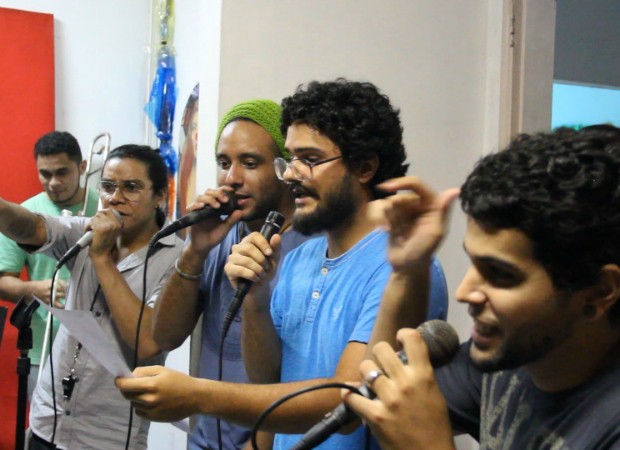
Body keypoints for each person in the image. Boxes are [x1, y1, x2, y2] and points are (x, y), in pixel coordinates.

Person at [116, 79, 448, 450]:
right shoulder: (300, 259)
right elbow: (268, 380)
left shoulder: (404, 266)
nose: (290, 174)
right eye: (290, 160)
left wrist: (199, 395)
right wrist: (255, 299)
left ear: (365, 167)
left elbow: (349, 402)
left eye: (309, 160)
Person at [343, 126, 620, 449]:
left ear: (598, 293)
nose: (464, 292)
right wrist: (408, 271)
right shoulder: (507, 361)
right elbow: (376, 400)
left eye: (500, 274)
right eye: (473, 264)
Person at [0, 144, 184, 449]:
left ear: (160, 196)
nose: (116, 197)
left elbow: (147, 341)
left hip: (106, 436)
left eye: (131, 187)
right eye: (108, 186)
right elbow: (31, 227)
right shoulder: (84, 232)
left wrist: (101, 259)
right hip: (49, 422)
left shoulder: (178, 260)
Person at [153, 99, 309, 450]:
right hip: (205, 439)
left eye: (250, 163)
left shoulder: (312, 248)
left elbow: (297, 378)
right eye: (224, 163)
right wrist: (194, 252)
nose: (231, 178)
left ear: (284, 168)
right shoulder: (218, 236)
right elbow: (163, 336)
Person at [0, 131, 99, 396]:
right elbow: (2, 281)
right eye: (45, 174)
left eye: (62, 172)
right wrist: (32, 289)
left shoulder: (103, 207)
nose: (54, 182)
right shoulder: (23, 217)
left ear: (82, 167)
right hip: (43, 347)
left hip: (98, 347)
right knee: (42, 420)